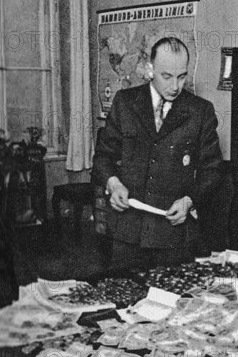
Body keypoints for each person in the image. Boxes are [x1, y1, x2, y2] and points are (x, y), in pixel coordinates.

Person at [92, 37, 223, 269]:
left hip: (174, 236)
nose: (175, 86)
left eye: (182, 76)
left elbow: (211, 170)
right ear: (150, 69)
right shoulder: (125, 102)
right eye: (167, 76)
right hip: (128, 232)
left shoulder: (200, 111)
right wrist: (113, 184)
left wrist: (189, 201)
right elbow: (103, 157)